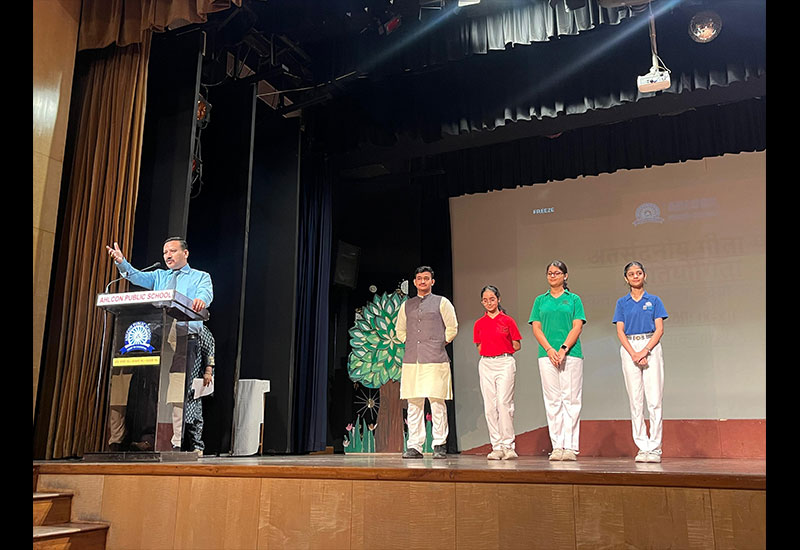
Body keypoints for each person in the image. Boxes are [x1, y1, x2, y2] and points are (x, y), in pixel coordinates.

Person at [106, 237, 213, 452]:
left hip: (183, 337)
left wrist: (201, 299)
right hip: (157, 337)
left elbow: (206, 294)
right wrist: (121, 262)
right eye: (165, 252)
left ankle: (176, 442)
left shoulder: (201, 276)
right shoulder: (159, 276)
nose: (167, 256)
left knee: (177, 390)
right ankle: (149, 438)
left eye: (172, 251)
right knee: (151, 389)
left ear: (185, 253)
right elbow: (135, 276)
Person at [395, 266, 458, 459]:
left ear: (432, 281)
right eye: (419, 278)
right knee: (414, 404)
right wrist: (410, 342)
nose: (423, 281)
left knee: (437, 402)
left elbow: (452, 327)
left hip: (435, 360)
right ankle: (414, 446)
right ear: (415, 282)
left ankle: (439, 444)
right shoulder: (407, 305)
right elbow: (400, 330)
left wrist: (439, 343)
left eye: (426, 278)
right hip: (412, 360)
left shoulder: (442, 302)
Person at [529, 260, 586, 461]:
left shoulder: (573, 299)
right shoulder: (540, 300)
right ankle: (557, 446)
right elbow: (536, 328)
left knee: (570, 400)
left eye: (557, 273)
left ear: (565, 276)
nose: (553, 276)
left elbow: (577, 326)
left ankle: (570, 447)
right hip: (547, 355)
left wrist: (563, 349)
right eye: (550, 273)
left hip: (571, 354)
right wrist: (549, 349)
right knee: (552, 401)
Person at [612, 261, 668, 463]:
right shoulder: (622, 303)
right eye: (631, 274)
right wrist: (634, 353)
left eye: (639, 273)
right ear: (626, 278)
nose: (635, 276)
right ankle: (642, 447)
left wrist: (645, 351)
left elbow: (659, 329)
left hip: (650, 345)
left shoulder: (654, 300)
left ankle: (655, 448)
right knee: (635, 401)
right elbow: (620, 331)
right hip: (630, 347)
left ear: (645, 275)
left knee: (654, 400)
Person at [473, 285, 522, 460]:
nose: (489, 303)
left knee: (503, 403)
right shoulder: (479, 323)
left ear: (498, 299)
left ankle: (508, 445)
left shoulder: (507, 321)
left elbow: (517, 344)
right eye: (485, 300)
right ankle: (497, 446)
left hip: (504, 362)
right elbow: (479, 347)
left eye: (492, 299)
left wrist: (502, 349)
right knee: (489, 406)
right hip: (486, 363)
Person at [168, 323, 215, 454]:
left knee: (194, 409)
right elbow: (172, 341)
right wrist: (180, 350)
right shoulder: (177, 322)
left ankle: (197, 444)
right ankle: (177, 442)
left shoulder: (200, 326)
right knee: (177, 404)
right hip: (179, 364)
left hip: (194, 366)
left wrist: (208, 370)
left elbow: (209, 349)